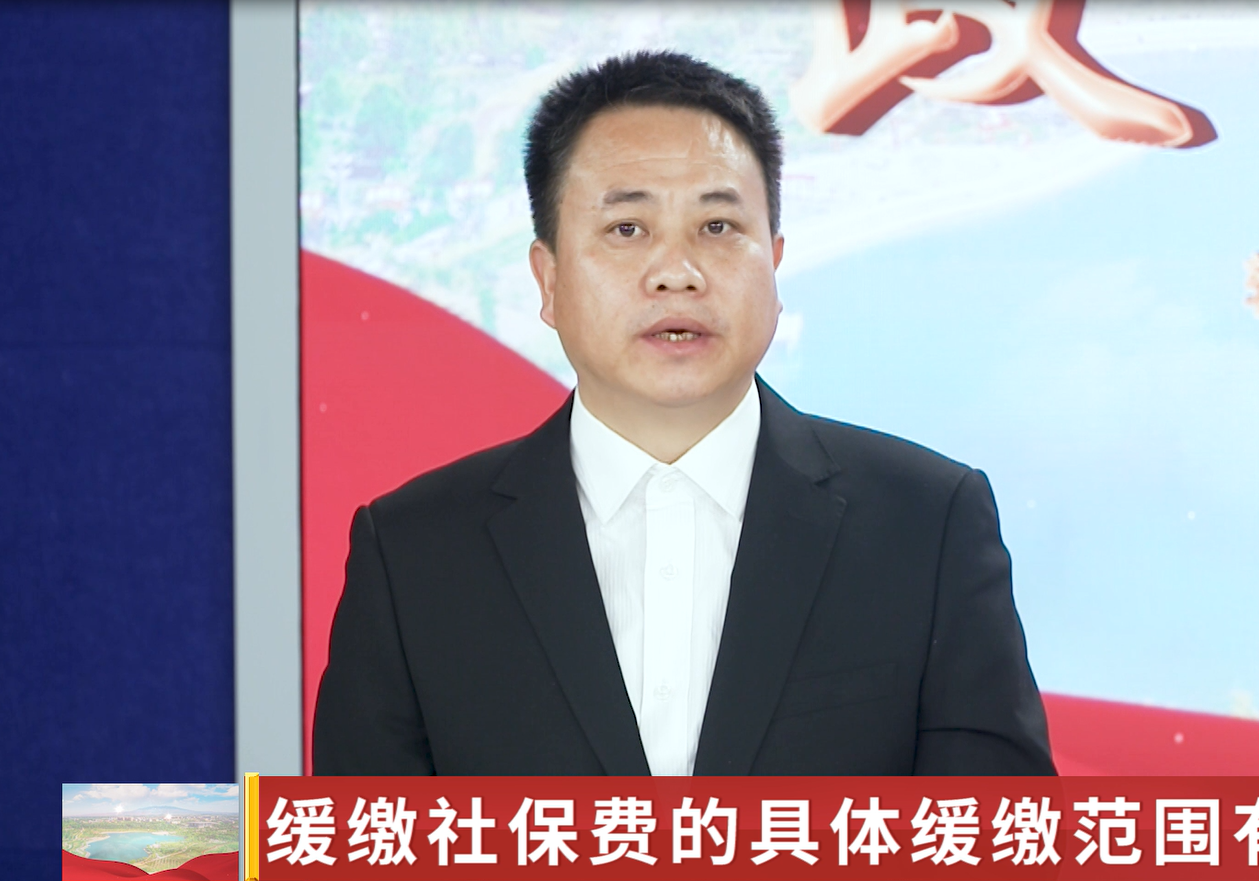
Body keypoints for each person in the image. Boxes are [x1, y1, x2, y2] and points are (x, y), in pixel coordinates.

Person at [312, 50, 1054, 776]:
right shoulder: (412, 553)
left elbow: (994, 833)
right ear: (549, 279)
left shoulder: (926, 523)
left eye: (718, 227)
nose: (677, 273)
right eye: (627, 229)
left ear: (775, 262)